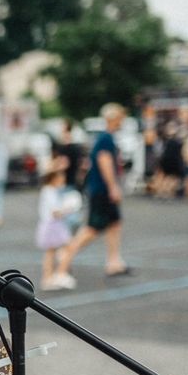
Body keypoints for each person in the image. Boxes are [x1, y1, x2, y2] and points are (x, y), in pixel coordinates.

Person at [54, 103, 131, 281]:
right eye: (120, 117)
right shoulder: (106, 139)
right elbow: (104, 162)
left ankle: (114, 262)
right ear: (112, 118)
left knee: (115, 223)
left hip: (101, 189)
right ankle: (64, 259)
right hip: (101, 191)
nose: (122, 120)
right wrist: (113, 187)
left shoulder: (105, 138)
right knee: (92, 229)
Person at [36, 168, 76, 290]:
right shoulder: (49, 191)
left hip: (53, 225)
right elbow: (55, 212)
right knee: (53, 251)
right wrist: (69, 208)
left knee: (55, 251)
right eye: (61, 177)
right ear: (54, 179)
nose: (63, 180)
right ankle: (51, 277)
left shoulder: (49, 190)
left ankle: (55, 275)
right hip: (52, 226)